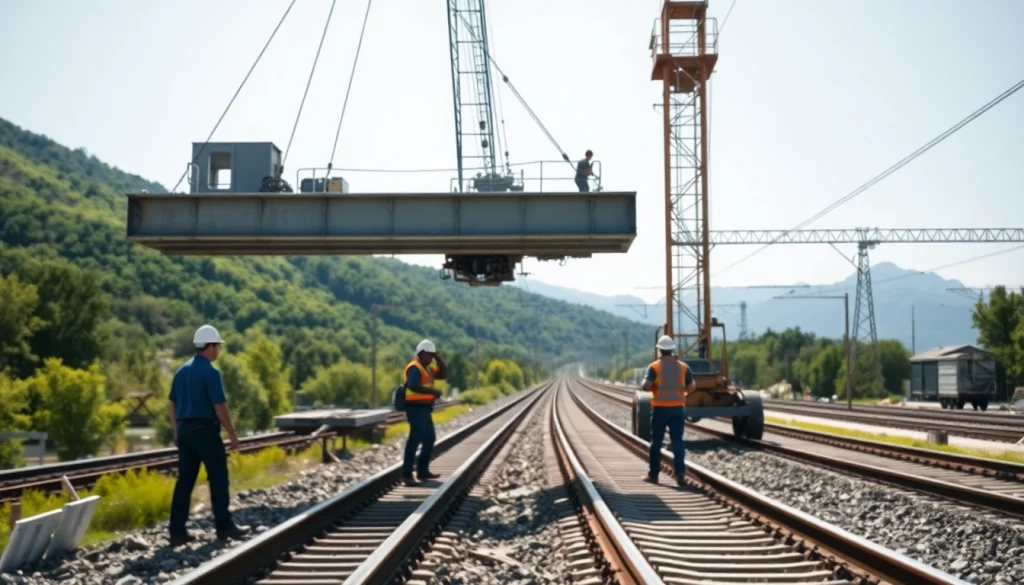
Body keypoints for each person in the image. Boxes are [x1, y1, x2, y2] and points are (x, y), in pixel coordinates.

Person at [168, 324, 250, 546]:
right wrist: (232, 433)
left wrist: (176, 429)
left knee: (184, 481)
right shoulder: (211, 372)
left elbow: (172, 403)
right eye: (218, 346)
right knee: (218, 477)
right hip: (205, 430)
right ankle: (224, 527)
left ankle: (176, 532)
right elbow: (219, 406)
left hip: (184, 430)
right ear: (210, 346)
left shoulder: (181, 370)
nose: (219, 350)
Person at [642, 335, 695, 486]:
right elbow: (692, 387)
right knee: (678, 441)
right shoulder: (683, 367)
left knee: (656, 442)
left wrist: (652, 386)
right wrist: (680, 393)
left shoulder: (654, 367)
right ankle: (680, 474)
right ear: (672, 349)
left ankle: (653, 475)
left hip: (660, 409)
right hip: (678, 408)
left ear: (659, 350)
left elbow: (646, 386)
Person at [402, 339, 448, 485]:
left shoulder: (428, 369)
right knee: (414, 441)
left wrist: (438, 357)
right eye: (429, 355)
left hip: (425, 409)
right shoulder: (415, 367)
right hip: (415, 409)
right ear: (421, 353)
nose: (430, 358)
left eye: (432, 355)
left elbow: (444, 374)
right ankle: (407, 475)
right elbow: (413, 385)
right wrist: (432, 391)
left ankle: (422, 471)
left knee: (429, 439)